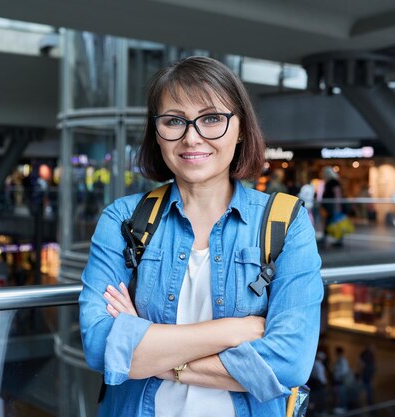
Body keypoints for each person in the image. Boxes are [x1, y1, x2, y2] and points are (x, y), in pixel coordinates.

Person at [78, 56, 323, 417]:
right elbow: (100, 347)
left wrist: (144, 351)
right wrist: (234, 330)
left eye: (211, 118)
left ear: (240, 129)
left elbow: (288, 363)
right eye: (174, 121)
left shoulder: (286, 222)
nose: (192, 137)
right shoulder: (123, 219)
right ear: (156, 132)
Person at [321, 167, 344, 247]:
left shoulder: (333, 182)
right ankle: (333, 239)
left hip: (333, 206)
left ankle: (331, 238)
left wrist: (337, 206)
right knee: (332, 221)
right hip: (331, 206)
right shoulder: (332, 182)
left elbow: (337, 194)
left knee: (332, 221)